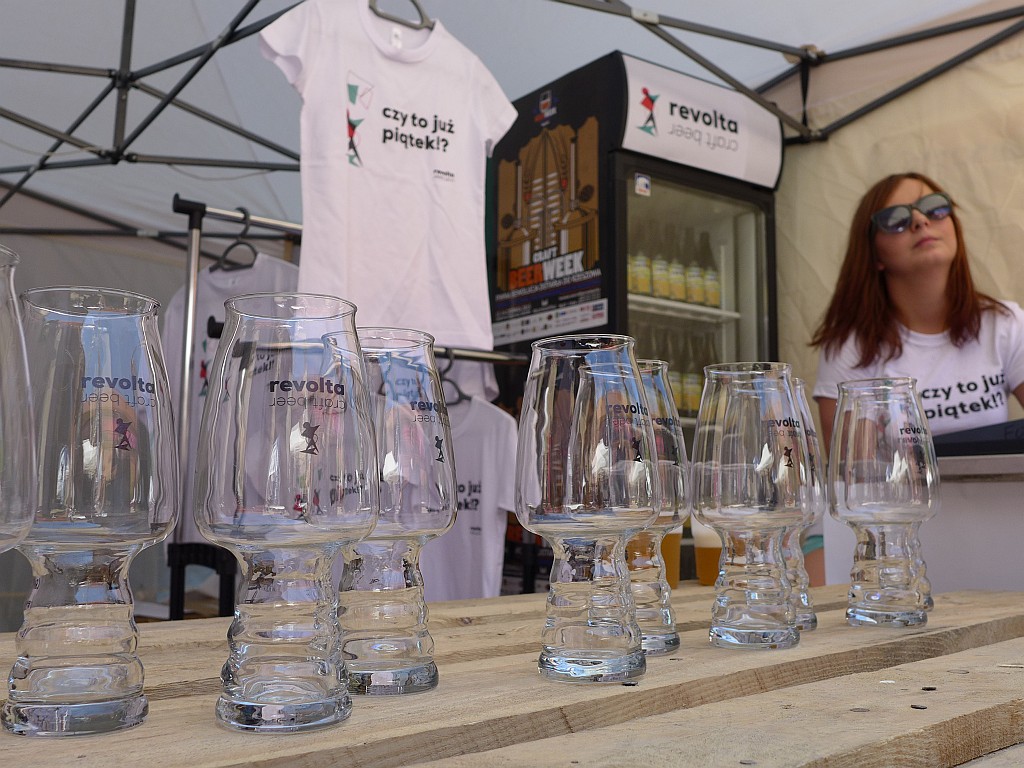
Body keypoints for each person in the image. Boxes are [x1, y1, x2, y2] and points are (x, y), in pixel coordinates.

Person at [811, 171, 1024, 450]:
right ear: (874, 255)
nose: (920, 220)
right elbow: (852, 469)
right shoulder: (849, 347)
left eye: (935, 208)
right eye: (894, 219)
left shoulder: (1005, 322)